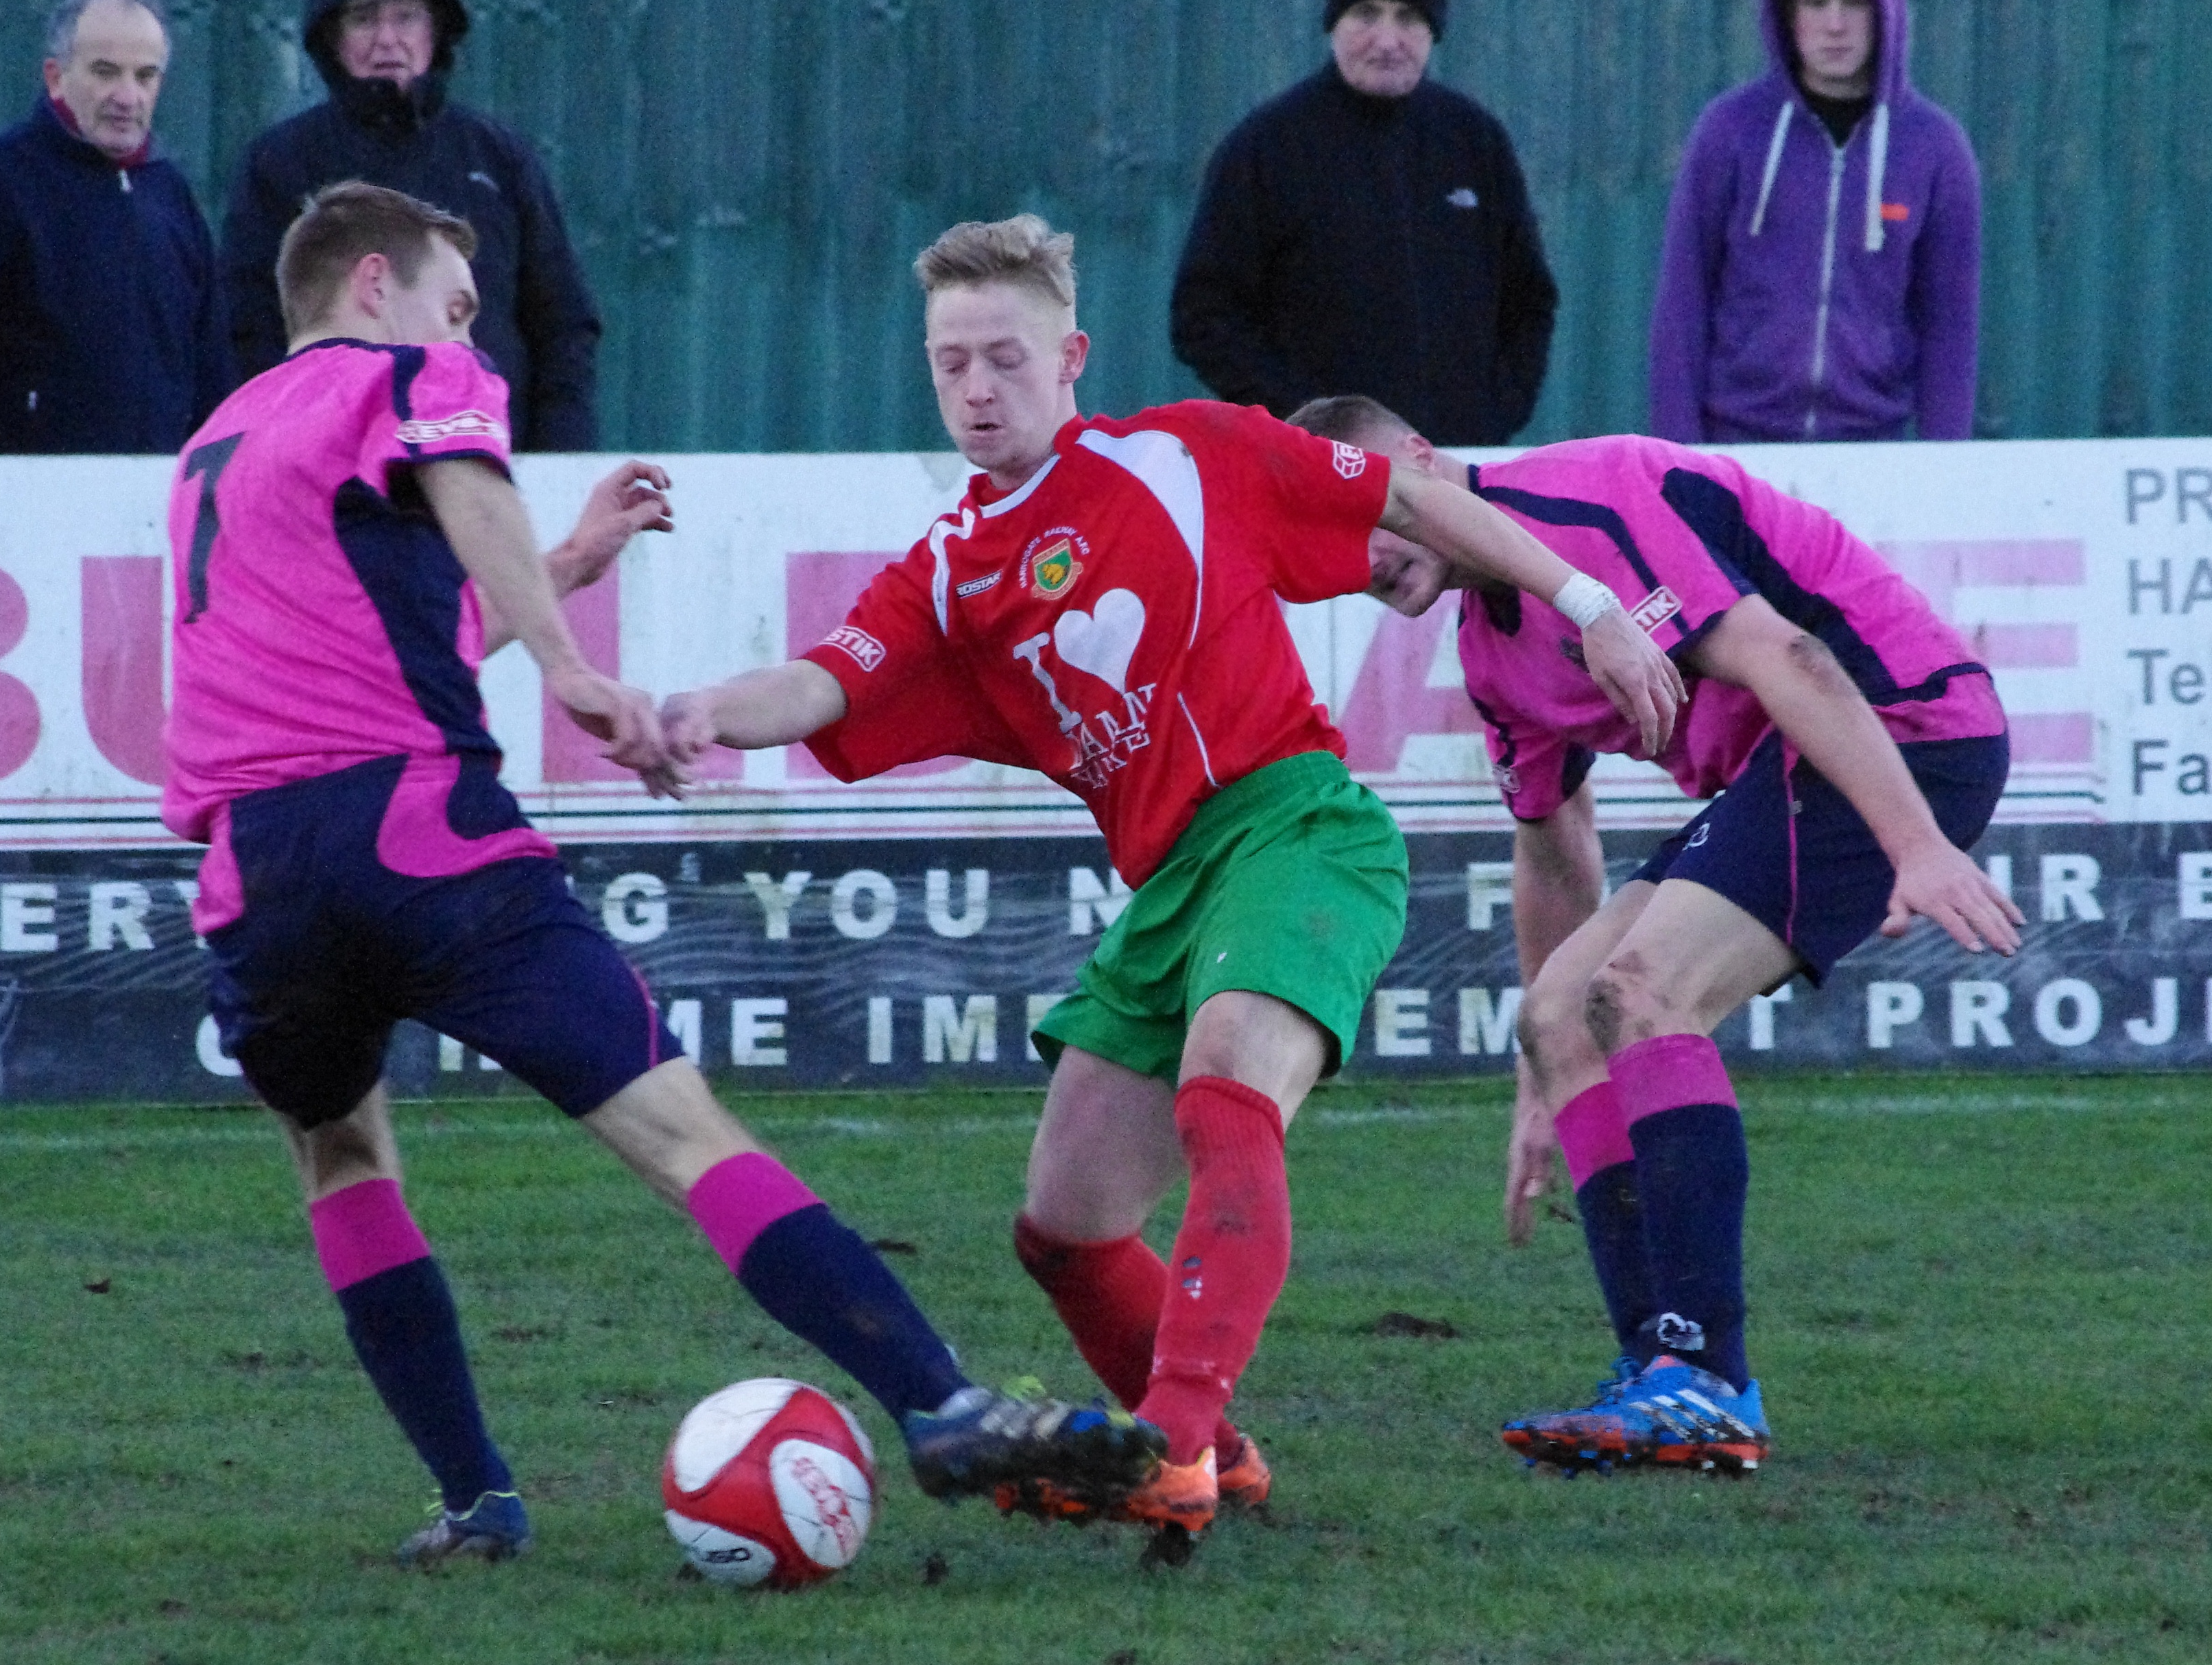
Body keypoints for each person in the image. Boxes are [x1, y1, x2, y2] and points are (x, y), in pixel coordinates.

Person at [163, 181, 1164, 1566]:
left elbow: (383, 634)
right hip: (417, 833)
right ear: (376, 284)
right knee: (686, 1136)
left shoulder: (215, 444)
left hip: (256, 875)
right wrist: (572, 668)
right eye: (459, 305)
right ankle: (938, 1402)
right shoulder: (409, 374)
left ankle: (476, 1500)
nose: (472, 337)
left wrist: (572, 562)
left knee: (340, 1152)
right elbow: (466, 483)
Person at [659, 215, 1681, 1553]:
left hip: (1298, 828)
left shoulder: (1187, 454)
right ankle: (1222, 1460)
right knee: (1064, 1228)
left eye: (1005, 358)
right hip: (1168, 889)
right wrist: (698, 714)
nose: (977, 388)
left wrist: (1589, 605)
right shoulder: (953, 570)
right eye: (951, 363)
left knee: (1224, 1088)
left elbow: (1408, 498)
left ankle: (1178, 1446)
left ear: (1071, 357)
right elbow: (821, 683)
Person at [1289, 394, 2021, 1473]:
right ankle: (1659, 1378)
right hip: (1784, 770)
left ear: (1422, 461)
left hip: (1904, 730)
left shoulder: (1583, 500)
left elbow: (1796, 659)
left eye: (1371, 508)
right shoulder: (1492, 657)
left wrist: (1916, 843)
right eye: (1327, 531)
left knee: (1643, 990)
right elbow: (1554, 847)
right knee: (1563, 1014)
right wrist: (1547, 1078)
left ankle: (1708, 1384)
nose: (1361, 553)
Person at [1169, 0, 1557, 447]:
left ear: (1433, 32)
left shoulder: (1475, 141)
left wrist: (1493, 416)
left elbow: (1529, 301)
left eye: (1409, 18)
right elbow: (1204, 317)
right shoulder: (1267, 147)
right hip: (1316, 470)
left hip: (1454, 464)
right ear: (1334, 25)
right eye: (1366, 14)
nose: (1388, 41)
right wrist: (1312, 426)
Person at [221, 0, 601, 452]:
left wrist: (558, 460)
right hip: (332, 465)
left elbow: (562, 323)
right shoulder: (281, 163)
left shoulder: (497, 158)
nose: (387, 40)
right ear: (332, 37)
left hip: (488, 458)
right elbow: (248, 327)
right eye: (363, 18)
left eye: (406, 17)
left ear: (436, 30)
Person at [1650, 0, 1980, 443]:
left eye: (1855, 5)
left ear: (1886, 15)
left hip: (1872, 448)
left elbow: (1949, 327)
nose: (1835, 25)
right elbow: (1683, 302)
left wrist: (1942, 462)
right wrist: (1678, 455)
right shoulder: (1730, 131)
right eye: (1817, 4)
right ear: (1788, 15)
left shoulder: (1935, 149)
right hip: (1737, 444)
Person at [0, 0, 230, 453]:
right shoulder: (10, 183)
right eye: (105, 72)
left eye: (145, 76)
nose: (127, 97)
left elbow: (211, 360)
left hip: (160, 483)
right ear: (55, 78)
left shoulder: (171, 194)